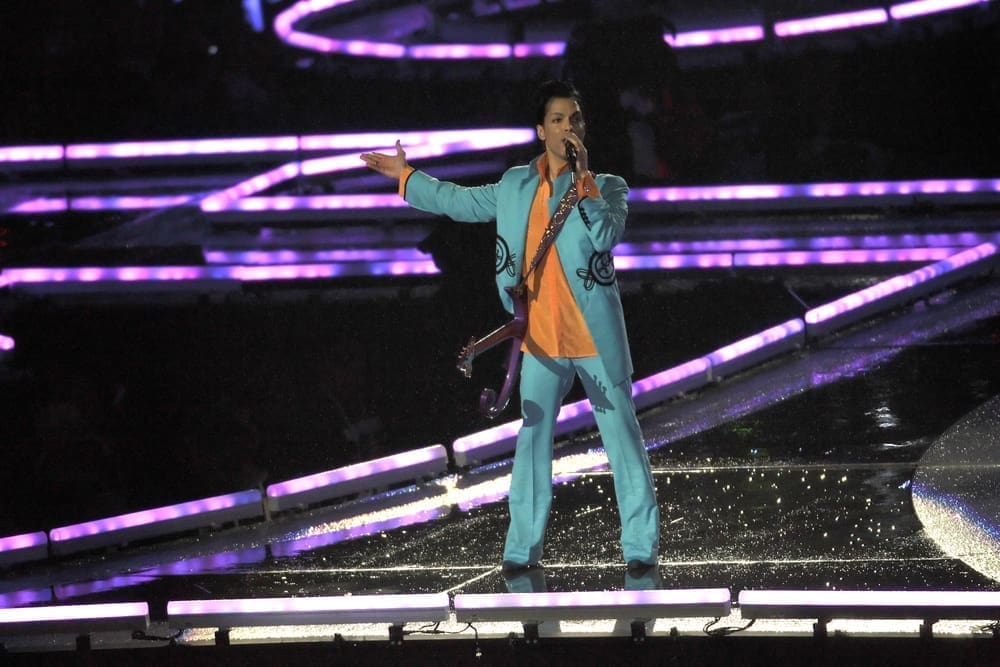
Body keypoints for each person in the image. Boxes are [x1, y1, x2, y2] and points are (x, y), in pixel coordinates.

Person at [361, 80, 659, 572]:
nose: (568, 127)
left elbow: (606, 235)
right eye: (558, 119)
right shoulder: (516, 186)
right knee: (532, 440)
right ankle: (521, 551)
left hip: (594, 337)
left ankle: (640, 547)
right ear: (541, 130)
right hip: (540, 340)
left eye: (575, 119)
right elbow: (459, 201)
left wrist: (583, 180)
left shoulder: (607, 187)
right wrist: (407, 176)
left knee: (623, 441)